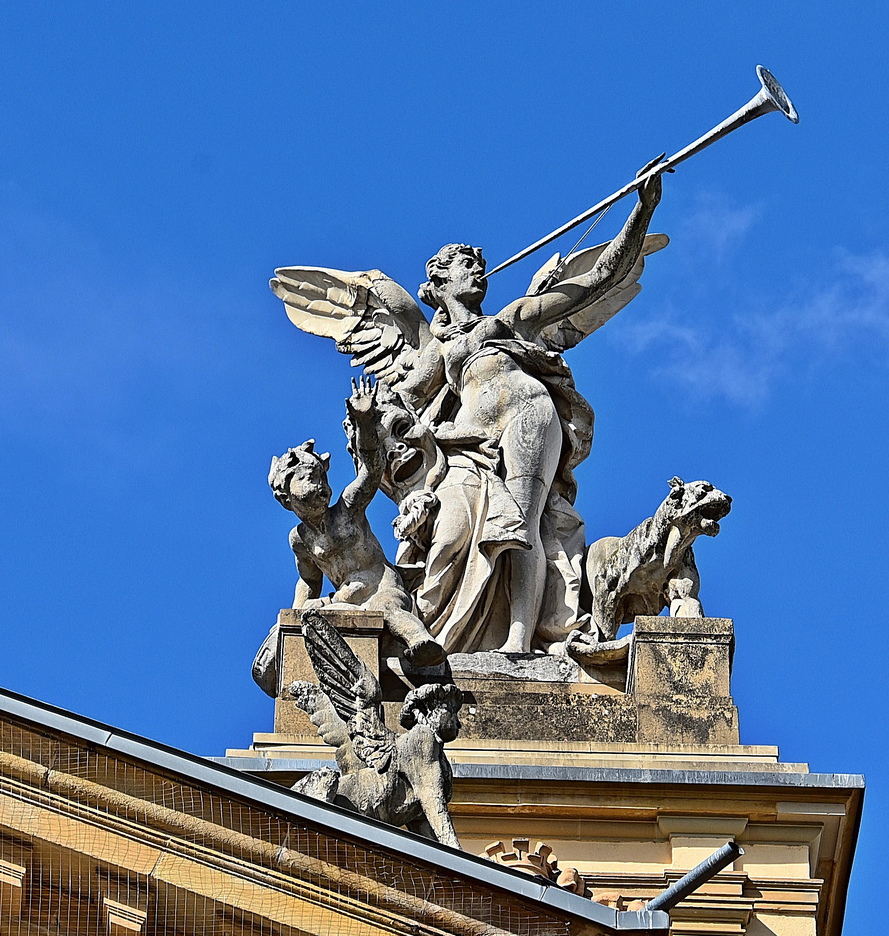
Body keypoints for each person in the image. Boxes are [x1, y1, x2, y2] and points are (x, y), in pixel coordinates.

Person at [398, 170, 664, 652]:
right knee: (452, 531)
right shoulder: (437, 348)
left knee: (523, 523)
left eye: (479, 263)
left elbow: (598, 282)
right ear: (438, 281)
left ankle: (517, 641)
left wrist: (641, 210)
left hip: (528, 416)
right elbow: (404, 412)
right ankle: (444, 632)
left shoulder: (513, 317)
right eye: (464, 264)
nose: (478, 269)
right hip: (469, 441)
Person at [269, 376, 446, 666]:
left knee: (390, 611)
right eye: (309, 479)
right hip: (347, 600)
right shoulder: (299, 540)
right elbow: (308, 581)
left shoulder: (347, 509)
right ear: (286, 497)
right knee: (319, 612)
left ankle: (420, 641)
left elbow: (370, 472)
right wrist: (293, 622)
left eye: (322, 478)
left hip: (382, 587)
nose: (321, 487)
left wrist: (364, 423)